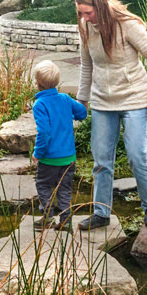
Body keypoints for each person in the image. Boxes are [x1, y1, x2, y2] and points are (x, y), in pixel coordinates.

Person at [74, 0, 147, 231]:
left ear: (100, 6)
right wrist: (82, 100)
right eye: (81, 12)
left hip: (135, 99)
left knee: (137, 155)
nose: (84, 17)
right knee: (102, 160)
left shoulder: (127, 25)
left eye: (88, 12)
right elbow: (87, 66)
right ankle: (101, 212)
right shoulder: (85, 27)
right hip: (103, 101)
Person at [31, 60, 86, 229]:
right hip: (69, 157)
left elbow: (45, 132)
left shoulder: (39, 104)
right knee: (64, 188)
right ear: (57, 82)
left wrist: (37, 153)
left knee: (44, 185)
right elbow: (82, 113)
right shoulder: (64, 98)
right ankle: (65, 221)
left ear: (37, 83)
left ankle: (47, 217)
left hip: (49, 158)